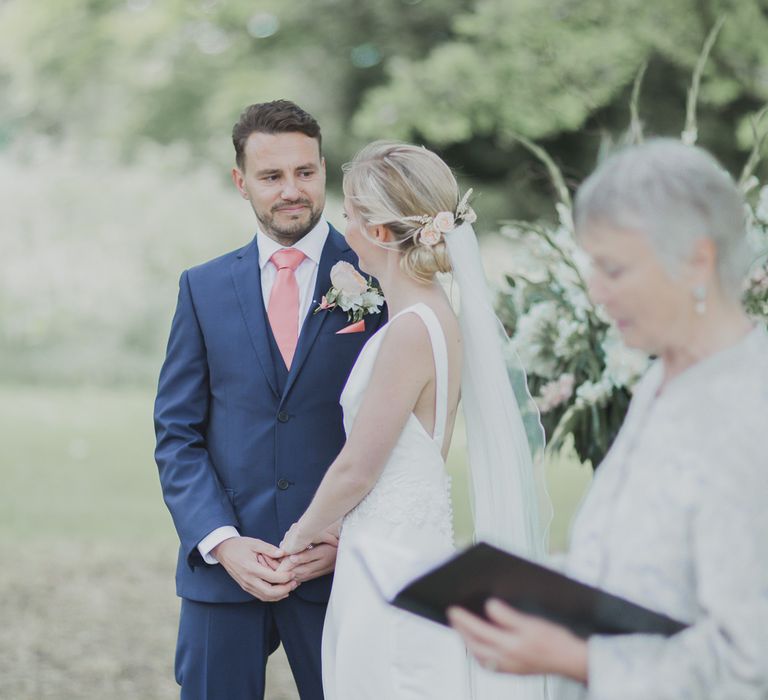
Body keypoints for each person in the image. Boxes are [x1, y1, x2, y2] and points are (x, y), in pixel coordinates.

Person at [448, 139, 768, 700]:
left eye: (614, 268)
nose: (595, 293)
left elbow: (750, 660)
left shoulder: (748, 411)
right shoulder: (662, 379)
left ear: (697, 259)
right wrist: (535, 593)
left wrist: (574, 657)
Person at [279, 141, 548, 700]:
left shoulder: (408, 331)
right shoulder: (434, 316)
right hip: (403, 545)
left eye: (350, 214)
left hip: (391, 562)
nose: (343, 227)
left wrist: (297, 537)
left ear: (380, 233)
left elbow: (359, 467)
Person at [153, 100, 385, 700]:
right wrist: (221, 542)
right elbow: (177, 434)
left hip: (339, 570)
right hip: (224, 573)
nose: (291, 190)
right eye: (271, 176)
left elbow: (407, 428)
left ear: (324, 171)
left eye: (304, 172)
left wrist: (345, 533)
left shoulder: (379, 278)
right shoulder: (201, 288)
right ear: (241, 182)